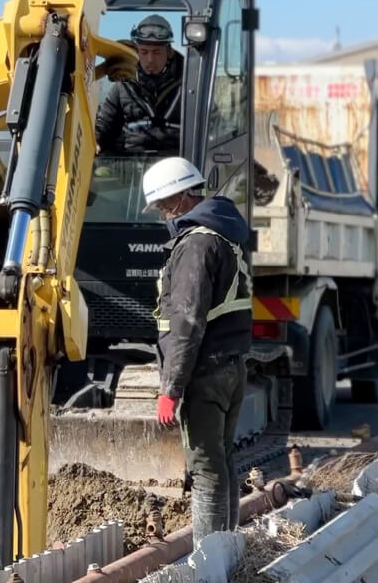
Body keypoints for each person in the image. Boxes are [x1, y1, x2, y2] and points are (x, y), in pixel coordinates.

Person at [141, 156, 253, 547]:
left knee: (205, 470)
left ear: (182, 197)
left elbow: (186, 323)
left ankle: (208, 561)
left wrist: (170, 389)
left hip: (205, 371)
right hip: (231, 367)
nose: (162, 215)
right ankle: (230, 548)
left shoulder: (196, 245)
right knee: (223, 460)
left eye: (163, 206)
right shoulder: (226, 234)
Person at [95, 15, 183, 157]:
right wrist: (96, 141)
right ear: (136, 52)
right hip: (130, 167)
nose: (150, 60)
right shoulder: (122, 86)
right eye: (144, 52)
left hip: (177, 166)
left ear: (169, 52)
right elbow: (104, 125)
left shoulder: (190, 85)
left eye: (157, 52)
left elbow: (212, 126)